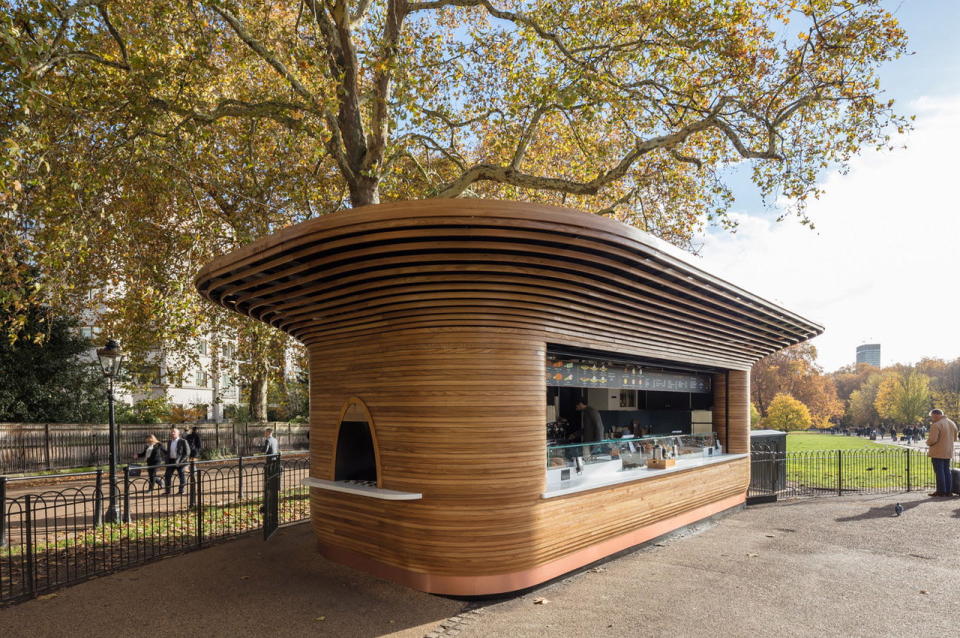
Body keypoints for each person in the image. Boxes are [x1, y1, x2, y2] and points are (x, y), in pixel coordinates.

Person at [925, 409, 958, 497]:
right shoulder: (952, 423)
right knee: (947, 471)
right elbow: (955, 438)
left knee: (939, 472)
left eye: (932, 416)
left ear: (936, 415)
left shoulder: (936, 425)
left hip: (938, 451)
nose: (932, 418)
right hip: (948, 451)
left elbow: (932, 440)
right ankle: (948, 491)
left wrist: (927, 442)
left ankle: (941, 491)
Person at [163, 427, 191, 495]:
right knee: (167, 476)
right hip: (171, 461)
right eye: (171, 432)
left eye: (174, 432)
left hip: (180, 461)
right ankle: (168, 491)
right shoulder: (169, 442)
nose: (172, 433)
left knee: (181, 476)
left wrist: (181, 461)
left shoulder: (183, 441)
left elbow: (187, 452)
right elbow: (168, 452)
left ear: (178, 433)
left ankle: (181, 491)